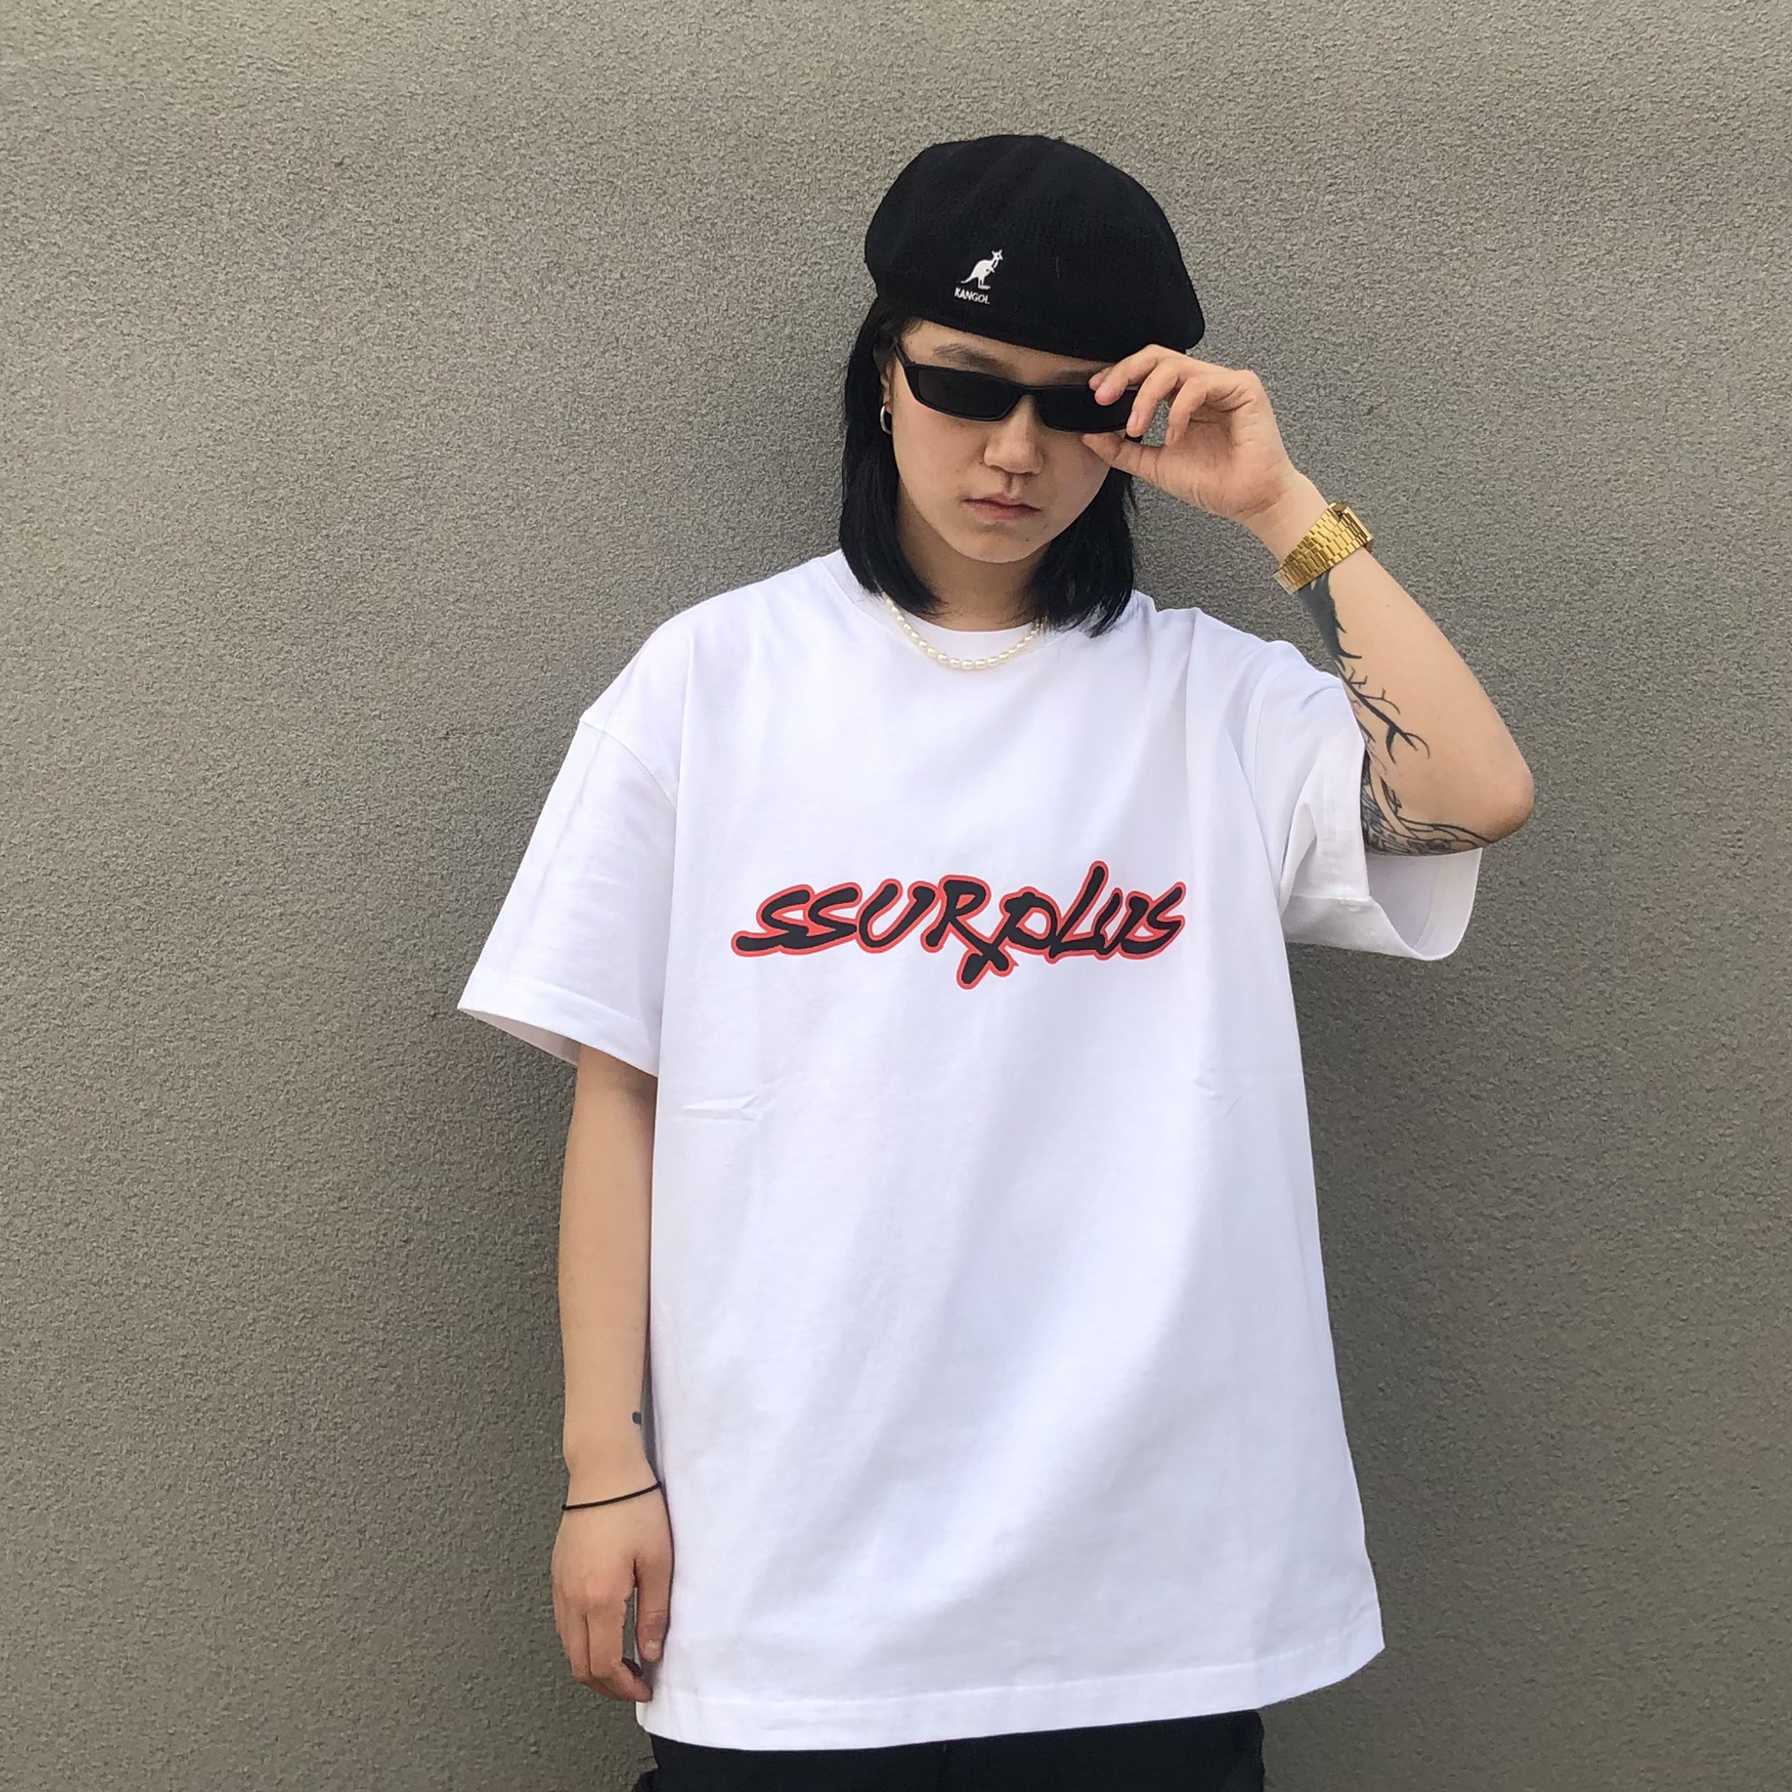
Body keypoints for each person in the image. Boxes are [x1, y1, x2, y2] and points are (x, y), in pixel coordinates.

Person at [456, 133, 1534, 1792]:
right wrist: (607, 1467)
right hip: (793, 1579)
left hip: (1151, 1581)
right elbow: (623, 1092)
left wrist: (1283, 508)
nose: (1014, 449)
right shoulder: (712, 683)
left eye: (1071, 406)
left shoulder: (1212, 702)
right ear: (880, 377)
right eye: (966, 386)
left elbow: (1473, 794)